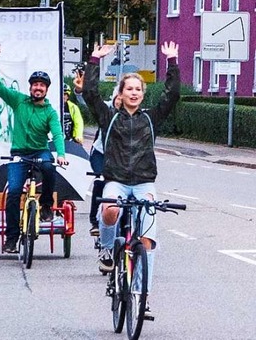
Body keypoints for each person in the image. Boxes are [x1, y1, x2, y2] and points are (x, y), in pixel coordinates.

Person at [84, 41, 181, 317]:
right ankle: (106, 249)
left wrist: (172, 61)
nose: (134, 93)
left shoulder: (150, 118)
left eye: (139, 89)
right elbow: (90, 93)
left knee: (147, 242)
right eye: (130, 89)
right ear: (122, 93)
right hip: (116, 180)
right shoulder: (109, 117)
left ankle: (141, 294)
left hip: (143, 183)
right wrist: (94, 60)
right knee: (110, 209)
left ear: (142, 94)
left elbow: (172, 95)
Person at [0, 42, 67, 254]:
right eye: (35, 85)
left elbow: (57, 134)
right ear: (30, 87)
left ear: (46, 89)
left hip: (40, 151)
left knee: (50, 168)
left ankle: (47, 205)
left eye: (42, 85)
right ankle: (12, 238)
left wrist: (60, 154)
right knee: (13, 193)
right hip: (19, 154)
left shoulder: (50, 112)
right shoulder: (19, 101)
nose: (38, 88)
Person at [73, 72, 121, 235]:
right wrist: (80, 91)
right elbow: (89, 102)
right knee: (101, 181)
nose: (121, 101)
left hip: (121, 156)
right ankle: (94, 221)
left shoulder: (134, 114)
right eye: (118, 97)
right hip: (101, 153)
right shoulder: (107, 108)